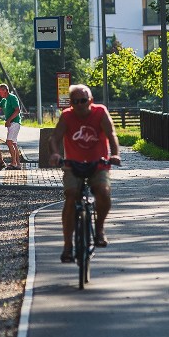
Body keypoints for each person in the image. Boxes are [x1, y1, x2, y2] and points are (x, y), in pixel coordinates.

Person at [48, 84, 121, 263]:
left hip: (98, 164)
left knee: (103, 192)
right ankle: (67, 246)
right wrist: (56, 154)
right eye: (75, 102)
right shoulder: (66, 116)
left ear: (91, 100)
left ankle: (100, 229)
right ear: (71, 103)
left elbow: (112, 135)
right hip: (73, 165)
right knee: (71, 196)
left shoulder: (100, 113)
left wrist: (115, 154)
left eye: (83, 101)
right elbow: (55, 138)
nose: (80, 105)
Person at [0, 83, 22, 170]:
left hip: (14, 122)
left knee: (9, 142)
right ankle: (18, 164)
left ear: (5, 90)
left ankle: (13, 163)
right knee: (13, 143)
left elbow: (17, 110)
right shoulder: (4, 100)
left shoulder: (12, 97)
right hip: (11, 124)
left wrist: (9, 120)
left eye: (0, 92)